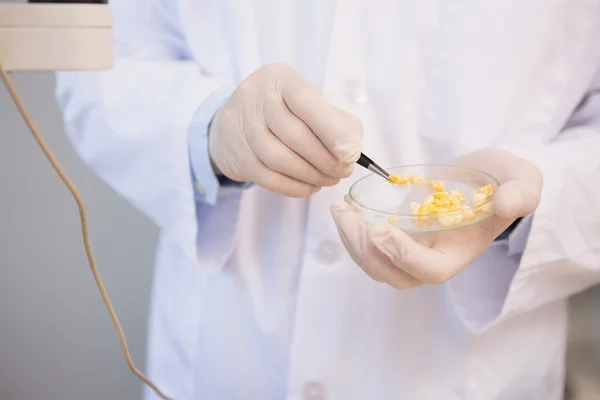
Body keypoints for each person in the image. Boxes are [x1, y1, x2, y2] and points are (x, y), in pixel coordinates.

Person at [54, 1, 600, 399]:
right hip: (227, 358)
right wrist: (208, 125)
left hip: (477, 372)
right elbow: (100, 58)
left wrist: (525, 200)